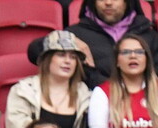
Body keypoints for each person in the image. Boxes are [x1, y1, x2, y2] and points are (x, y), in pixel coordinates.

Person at [4, 31, 99, 128]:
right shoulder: (23, 90)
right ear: (47, 59)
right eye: (61, 55)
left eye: (73, 57)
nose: (67, 61)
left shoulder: (86, 96)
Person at [26, 0, 158, 89]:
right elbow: (34, 51)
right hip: (91, 104)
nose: (108, 3)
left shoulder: (149, 35)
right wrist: (65, 38)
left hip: (142, 104)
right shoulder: (77, 33)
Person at [89, 35, 158, 128]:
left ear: (146, 59)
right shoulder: (102, 92)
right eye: (126, 52)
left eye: (139, 52)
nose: (133, 56)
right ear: (117, 61)